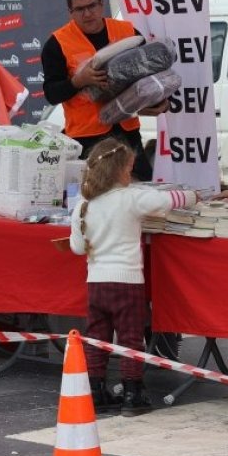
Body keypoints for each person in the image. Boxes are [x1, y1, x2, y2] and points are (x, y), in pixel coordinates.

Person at [68, 138, 198, 417]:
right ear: (120, 171)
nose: (132, 172)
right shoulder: (131, 198)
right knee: (130, 338)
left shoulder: (82, 206)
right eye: (129, 167)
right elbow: (168, 199)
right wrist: (195, 195)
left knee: (97, 337)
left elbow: (77, 247)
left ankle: (95, 389)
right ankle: (132, 391)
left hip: (96, 282)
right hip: (127, 281)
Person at [41, 0, 164, 181]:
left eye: (92, 6)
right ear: (70, 12)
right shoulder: (57, 43)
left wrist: (159, 101)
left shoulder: (128, 31)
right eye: (80, 9)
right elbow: (51, 93)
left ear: (101, 4)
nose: (87, 13)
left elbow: (150, 74)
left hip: (127, 132)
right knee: (97, 195)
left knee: (143, 188)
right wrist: (79, 81)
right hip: (87, 137)